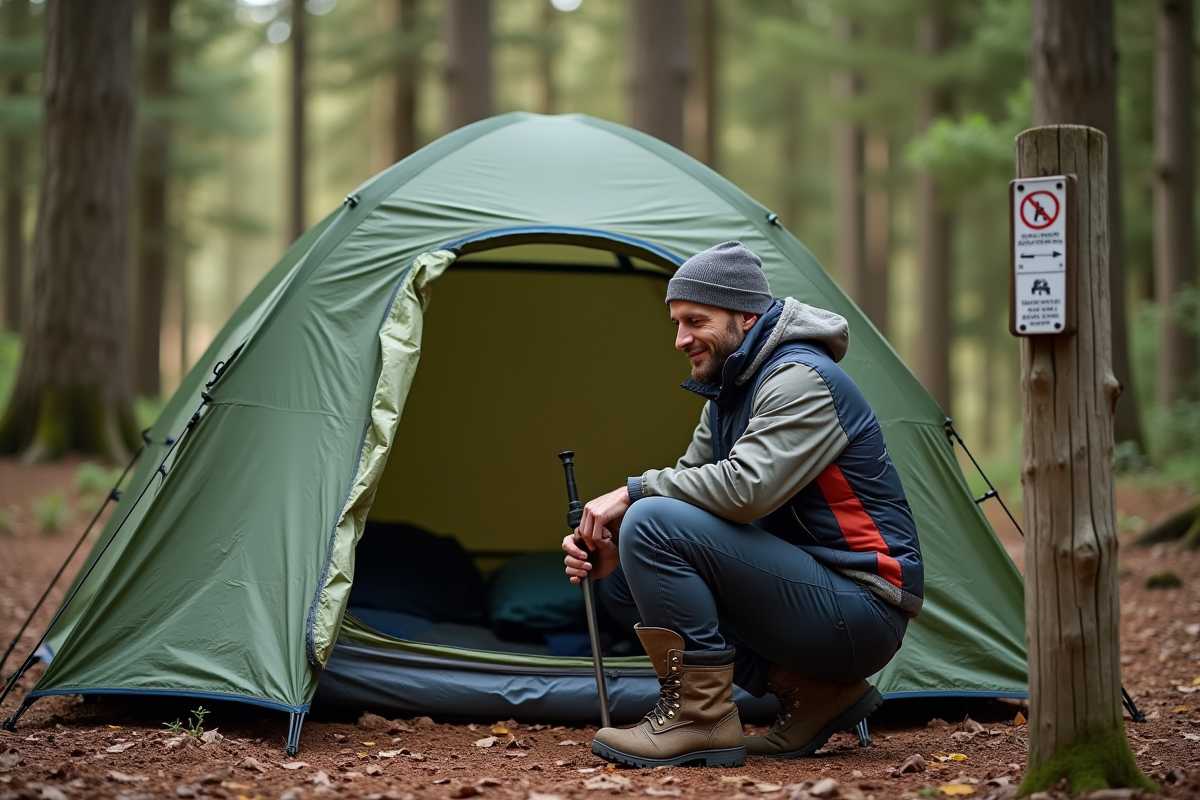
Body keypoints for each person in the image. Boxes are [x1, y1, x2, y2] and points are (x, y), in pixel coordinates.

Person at [561, 241, 923, 768]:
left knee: (649, 520)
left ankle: (700, 718)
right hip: (812, 595)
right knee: (624, 572)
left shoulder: (801, 379)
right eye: (676, 323)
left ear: (745, 314)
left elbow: (746, 490)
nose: (681, 339)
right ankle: (814, 695)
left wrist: (631, 493)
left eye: (695, 320)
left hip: (864, 606)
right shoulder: (732, 389)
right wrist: (616, 551)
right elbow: (689, 483)